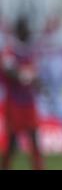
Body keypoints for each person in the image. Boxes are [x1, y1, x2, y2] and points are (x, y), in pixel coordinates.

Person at [0, 17, 43, 170]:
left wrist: (37, 83)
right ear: (19, 31)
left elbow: (35, 75)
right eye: (25, 29)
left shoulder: (29, 50)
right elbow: (8, 70)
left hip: (28, 102)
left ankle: (38, 167)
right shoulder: (10, 49)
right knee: (12, 142)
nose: (28, 32)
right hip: (14, 102)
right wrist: (23, 75)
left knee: (34, 137)